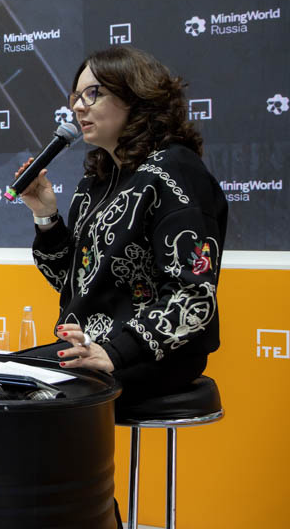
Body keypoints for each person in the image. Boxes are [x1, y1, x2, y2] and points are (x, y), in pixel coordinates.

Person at [15, 46, 227, 409]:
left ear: (135, 97)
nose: (78, 107)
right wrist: (46, 217)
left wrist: (116, 352)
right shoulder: (96, 180)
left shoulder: (174, 171)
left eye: (92, 94)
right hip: (93, 347)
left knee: (13, 397)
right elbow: (73, 281)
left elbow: (192, 295)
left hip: (155, 354)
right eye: (76, 97)